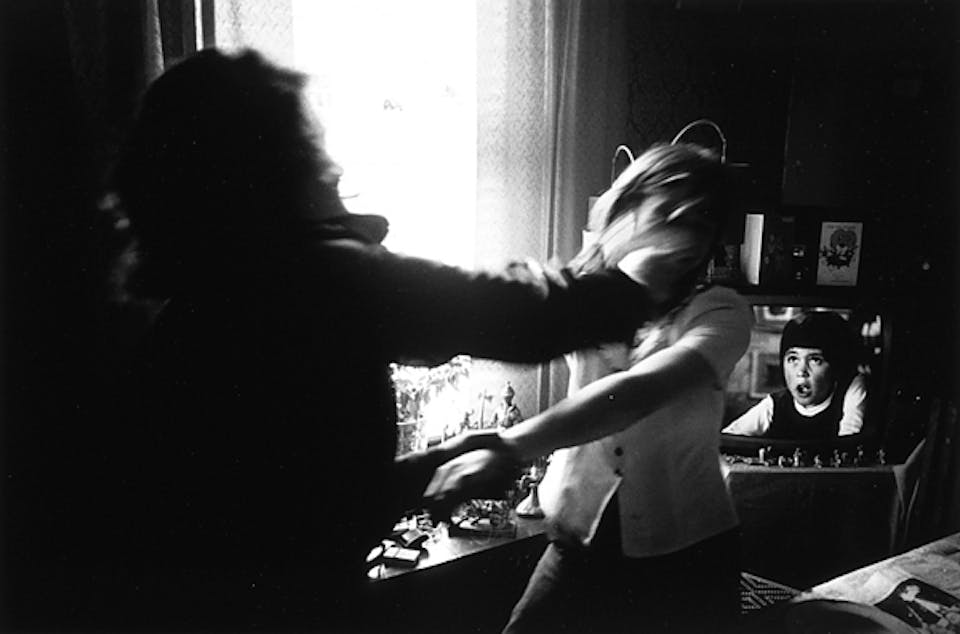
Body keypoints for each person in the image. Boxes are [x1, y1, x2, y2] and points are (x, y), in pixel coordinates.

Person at [92, 48, 704, 632]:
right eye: (312, 144)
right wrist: (632, 282)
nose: (333, 166)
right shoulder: (310, 271)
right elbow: (516, 314)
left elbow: (299, 496)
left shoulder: (202, 293)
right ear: (268, 163)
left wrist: (440, 462)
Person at [426, 142, 753, 633]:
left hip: (686, 559)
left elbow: (636, 394)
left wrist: (509, 446)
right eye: (667, 213)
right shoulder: (583, 295)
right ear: (627, 211)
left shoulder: (721, 311)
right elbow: (499, 317)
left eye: (700, 223)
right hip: (578, 543)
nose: (684, 234)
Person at [722, 310, 867, 439]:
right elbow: (729, 437)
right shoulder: (775, 404)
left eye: (815, 360)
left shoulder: (850, 390)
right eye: (793, 359)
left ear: (835, 367)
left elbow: (850, 441)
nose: (801, 371)